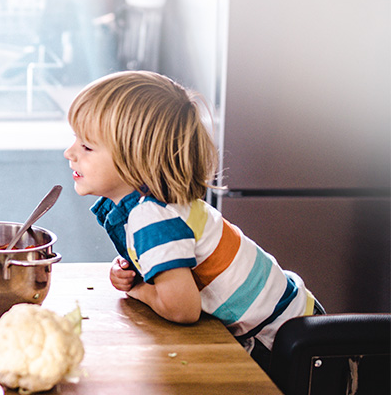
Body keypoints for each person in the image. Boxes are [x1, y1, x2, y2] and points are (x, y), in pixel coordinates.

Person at [64, 70, 320, 369]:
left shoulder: (152, 217)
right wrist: (133, 272)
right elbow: (173, 266)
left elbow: (182, 309)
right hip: (295, 315)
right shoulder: (155, 206)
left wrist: (137, 290)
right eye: (75, 140)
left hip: (277, 341)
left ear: (137, 157)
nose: (70, 153)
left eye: (87, 146)